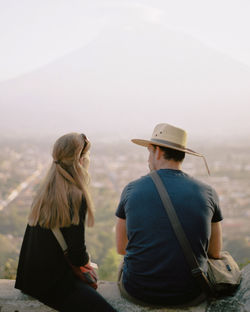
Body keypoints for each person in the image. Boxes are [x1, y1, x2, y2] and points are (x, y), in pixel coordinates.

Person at [115, 123, 223, 307]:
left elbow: (121, 248)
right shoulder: (208, 192)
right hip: (191, 293)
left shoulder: (131, 190)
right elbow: (214, 252)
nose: (148, 159)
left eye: (149, 151)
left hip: (138, 291)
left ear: (157, 152)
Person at [15, 133, 116, 312]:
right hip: (54, 283)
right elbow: (77, 254)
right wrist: (87, 263)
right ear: (80, 160)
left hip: (29, 279)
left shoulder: (43, 190)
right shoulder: (77, 195)